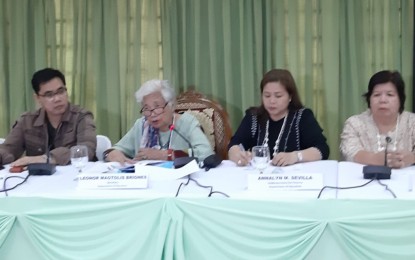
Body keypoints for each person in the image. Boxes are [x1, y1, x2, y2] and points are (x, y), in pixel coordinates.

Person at [228, 69, 330, 167]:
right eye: (267, 96)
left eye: (278, 96)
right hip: (259, 177)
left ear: (290, 96)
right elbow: (234, 144)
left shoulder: (302, 117)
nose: (272, 101)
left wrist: (295, 156)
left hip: (294, 179)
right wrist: (238, 155)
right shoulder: (253, 117)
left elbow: (322, 149)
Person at [0, 68, 97, 166]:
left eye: (61, 91)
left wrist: (45, 159)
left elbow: (87, 150)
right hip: (38, 179)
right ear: (38, 98)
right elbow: (8, 149)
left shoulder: (81, 117)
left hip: (76, 177)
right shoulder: (27, 121)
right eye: (49, 95)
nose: (57, 99)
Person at [104, 79, 213, 164]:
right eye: (146, 108)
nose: (152, 114)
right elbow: (114, 150)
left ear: (172, 105)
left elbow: (206, 153)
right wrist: (113, 153)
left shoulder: (187, 123)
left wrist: (165, 155)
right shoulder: (141, 125)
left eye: (157, 106)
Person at [340, 70, 415, 169]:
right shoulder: (354, 123)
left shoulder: (412, 122)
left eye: (390, 94)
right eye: (376, 95)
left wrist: (412, 158)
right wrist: (375, 159)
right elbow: (349, 152)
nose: (383, 100)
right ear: (369, 100)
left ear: (400, 99)